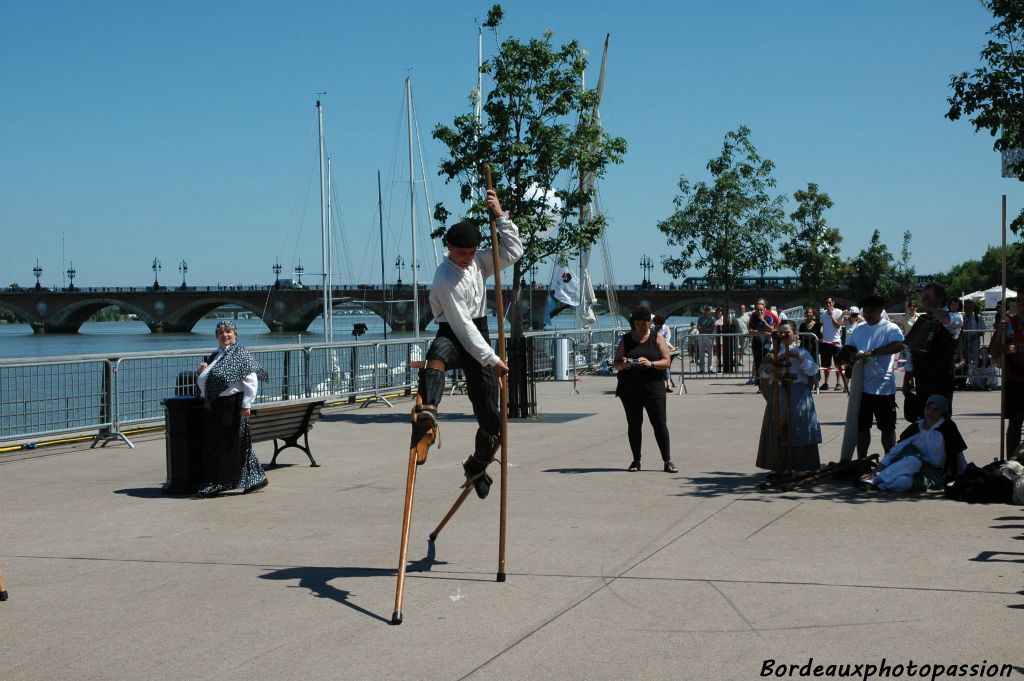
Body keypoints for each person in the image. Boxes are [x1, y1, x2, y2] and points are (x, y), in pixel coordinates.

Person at [409, 189, 522, 499]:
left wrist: (500, 216)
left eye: (472, 252)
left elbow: (514, 253)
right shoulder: (445, 277)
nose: (468, 258)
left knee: (493, 420)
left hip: (480, 332)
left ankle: (476, 463)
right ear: (449, 248)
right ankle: (429, 412)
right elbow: (461, 327)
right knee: (437, 355)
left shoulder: (479, 262)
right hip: (453, 331)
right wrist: (492, 358)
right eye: (462, 253)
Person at [194, 321, 270, 497]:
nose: (225, 335)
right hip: (216, 405)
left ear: (235, 335)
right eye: (221, 333)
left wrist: (247, 405)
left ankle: (219, 481)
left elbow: (251, 380)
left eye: (228, 332)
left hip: (231, 404)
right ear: (216, 336)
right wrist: (203, 371)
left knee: (224, 445)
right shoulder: (215, 355)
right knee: (238, 444)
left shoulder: (239, 353)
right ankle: (256, 478)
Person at [614, 305, 677, 473]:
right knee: (634, 424)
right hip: (630, 389)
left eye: (645, 323)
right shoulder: (626, 339)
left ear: (649, 322)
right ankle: (636, 460)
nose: (642, 326)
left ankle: (667, 460)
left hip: (653, 387)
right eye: (638, 323)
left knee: (659, 423)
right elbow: (616, 364)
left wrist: (651, 364)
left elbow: (667, 361)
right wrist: (624, 364)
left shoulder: (657, 338)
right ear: (633, 323)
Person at [860, 394, 967, 492]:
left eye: (936, 410)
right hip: (909, 464)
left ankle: (880, 485)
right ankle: (875, 480)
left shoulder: (947, 428)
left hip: (933, 472)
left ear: (942, 412)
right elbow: (895, 452)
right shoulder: (916, 427)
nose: (930, 413)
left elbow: (957, 453)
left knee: (904, 482)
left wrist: (963, 476)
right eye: (928, 408)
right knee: (913, 460)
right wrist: (874, 473)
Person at [841, 294, 906, 458]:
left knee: (887, 428)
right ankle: (862, 459)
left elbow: (899, 345)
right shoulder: (859, 328)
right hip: (862, 387)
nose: (868, 314)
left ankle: (889, 459)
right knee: (862, 427)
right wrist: (851, 356)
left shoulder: (890, 328)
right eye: (865, 310)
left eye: (872, 310)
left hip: (883, 387)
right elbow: (850, 348)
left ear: (880, 310)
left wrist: (875, 352)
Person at [756, 320, 822, 476]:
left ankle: (801, 466)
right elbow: (763, 373)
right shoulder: (773, 353)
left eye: (787, 333)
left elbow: (813, 371)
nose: (784, 336)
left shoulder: (802, 352)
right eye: (781, 333)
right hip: (781, 395)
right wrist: (775, 364)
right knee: (781, 429)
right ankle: (780, 464)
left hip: (799, 396)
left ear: (795, 334)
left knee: (799, 429)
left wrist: (797, 358)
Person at [904, 282, 963, 419]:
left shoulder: (954, 316)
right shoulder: (922, 319)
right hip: (922, 378)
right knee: (923, 418)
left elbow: (948, 321)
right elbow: (911, 350)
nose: (924, 300)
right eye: (923, 297)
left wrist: (934, 309)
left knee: (940, 419)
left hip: (941, 379)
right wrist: (907, 378)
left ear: (940, 297)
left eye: (928, 297)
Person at [990, 297, 1024, 457]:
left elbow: (1013, 349)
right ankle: (1012, 461)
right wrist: (1000, 335)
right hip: (1014, 380)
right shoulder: (1009, 323)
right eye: (1021, 301)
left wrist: (1016, 349)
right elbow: (995, 351)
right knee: (1015, 422)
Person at [819, 297, 847, 392]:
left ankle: (838, 383)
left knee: (838, 364)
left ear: (833, 303)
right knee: (826, 364)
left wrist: (831, 316)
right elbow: (822, 326)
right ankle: (825, 383)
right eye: (826, 303)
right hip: (826, 342)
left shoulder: (839, 312)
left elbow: (837, 325)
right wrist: (820, 335)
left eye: (829, 303)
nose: (828, 304)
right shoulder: (823, 314)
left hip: (836, 342)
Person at [746, 299, 775, 386]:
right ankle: (759, 383)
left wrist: (763, 321)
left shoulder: (768, 317)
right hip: (756, 342)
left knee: (766, 360)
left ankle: (766, 380)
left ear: (764, 309)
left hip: (766, 342)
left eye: (761, 310)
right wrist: (761, 332)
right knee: (757, 362)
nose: (759, 311)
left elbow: (771, 329)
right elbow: (750, 331)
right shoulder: (753, 317)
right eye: (758, 310)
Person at [652, 314, 677, 392]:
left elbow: (666, 341)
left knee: (665, 365)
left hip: (662, 349)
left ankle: (668, 384)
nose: (656, 326)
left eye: (657, 324)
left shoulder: (666, 329)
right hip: (652, 349)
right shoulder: (651, 327)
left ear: (661, 324)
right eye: (655, 324)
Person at [798, 306, 823, 377]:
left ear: (813, 314)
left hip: (813, 348)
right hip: (804, 347)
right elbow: (800, 337)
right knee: (804, 363)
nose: (808, 314)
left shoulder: (818, 325)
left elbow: (820, 336)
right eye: (807, 312)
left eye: (809, 312)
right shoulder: (802, 325)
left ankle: (816, 380)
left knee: (815, 362)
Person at [696, 305, 716, 373]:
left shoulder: (712, 318)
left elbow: (712, 329)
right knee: (701, 353)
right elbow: (698, 328)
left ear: (710, 311)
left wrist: (704, 328)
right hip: (701, 335)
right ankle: (702, 369)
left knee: (710, 353)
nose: (707, 311)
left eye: (708, 310)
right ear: (704, 310)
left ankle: (710, 369)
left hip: (709, 336)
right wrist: (706, 329)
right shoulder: (700, 318)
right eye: (706, 310)